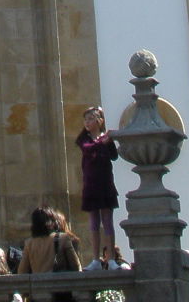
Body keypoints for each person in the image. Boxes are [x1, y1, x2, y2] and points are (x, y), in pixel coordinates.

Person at [76, 105, 120, 268]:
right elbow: (88, 149)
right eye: (85, 119)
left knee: (107, 220)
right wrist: (104, 141)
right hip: (91, 185)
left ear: (100, 121)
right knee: (94, 221)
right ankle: (95, 258)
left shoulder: (104, 139)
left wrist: (110, 142)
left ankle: (111, 259)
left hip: (105, 183)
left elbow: (114, 156)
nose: (87, 122)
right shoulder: (84, 139)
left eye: (91, 119)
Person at [17, 208, 80, 302]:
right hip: (61, 295)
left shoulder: (29, 243)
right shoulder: (63, 238)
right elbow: (76, 267)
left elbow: (22, 272)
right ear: (51, 222)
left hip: (38, 295)